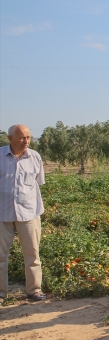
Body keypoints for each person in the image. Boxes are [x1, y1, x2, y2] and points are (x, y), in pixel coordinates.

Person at [0, 125, 46, 303]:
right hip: (2, 214)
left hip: (29, 213)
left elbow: (38, 182)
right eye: (21, 137)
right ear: (10, 138)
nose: (26, 141)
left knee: (33, 254)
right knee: (0, 256)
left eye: (28, 137)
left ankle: (34, 290)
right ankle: (1, 293)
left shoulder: (34, 157)